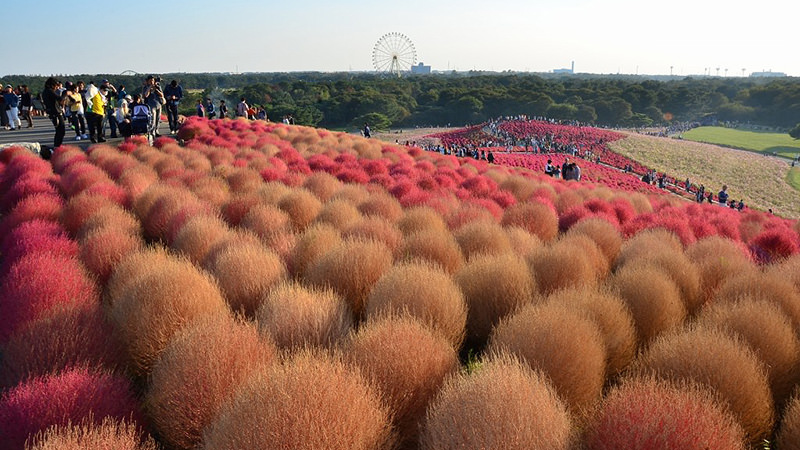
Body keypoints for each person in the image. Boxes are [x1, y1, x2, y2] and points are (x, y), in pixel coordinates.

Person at [42, 77, 67, 148]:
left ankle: (57, 145)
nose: (57, 87)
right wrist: (65, 93)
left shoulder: (45, 92)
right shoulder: (49, 91)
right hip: (55, 113)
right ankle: (57, 146)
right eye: (56, 85)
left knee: (59, 130)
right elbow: (60, 99)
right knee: (61, 130)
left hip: (52, 113)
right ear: (52, 85)